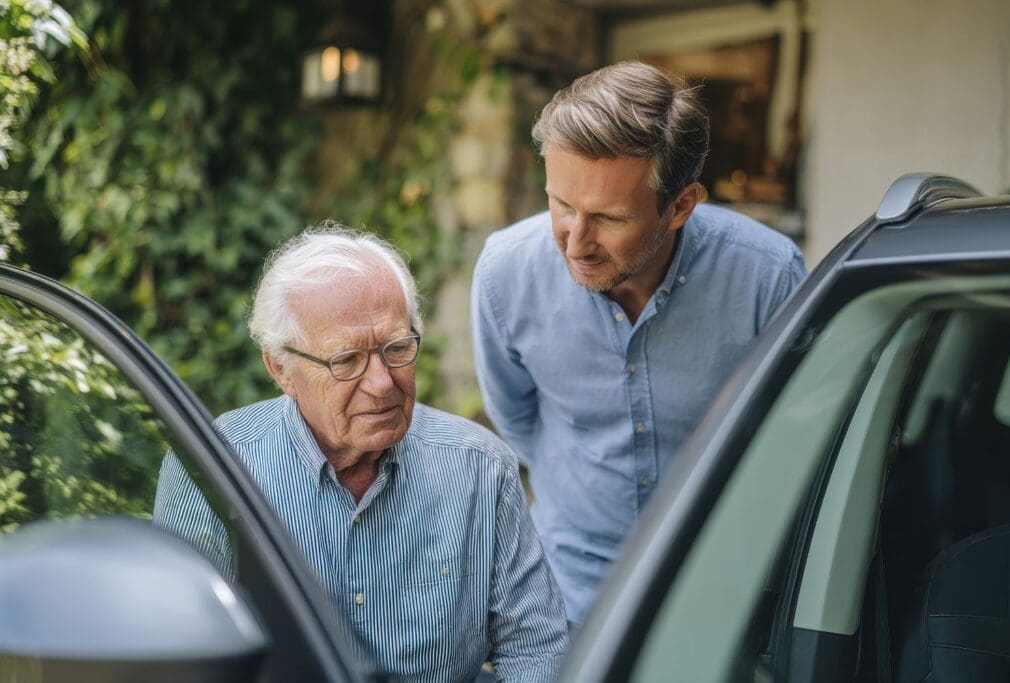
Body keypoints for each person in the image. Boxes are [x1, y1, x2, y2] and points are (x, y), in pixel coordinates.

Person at [471, 61, 807, 625]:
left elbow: (794, 439)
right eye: (561, 205)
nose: (575, 243)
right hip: (570, 593)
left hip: (727, 590)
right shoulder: (505, 273)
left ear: (681, 206)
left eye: (609, 218)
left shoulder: (768, 276)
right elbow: (516, 419)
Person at [155, 225, 568, 681]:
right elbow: (182, 659)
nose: (382, 383)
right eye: (346, 360)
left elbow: (536, 649)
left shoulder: (481, 468)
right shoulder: (212, 469)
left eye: (397, 348)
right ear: (281, 369)